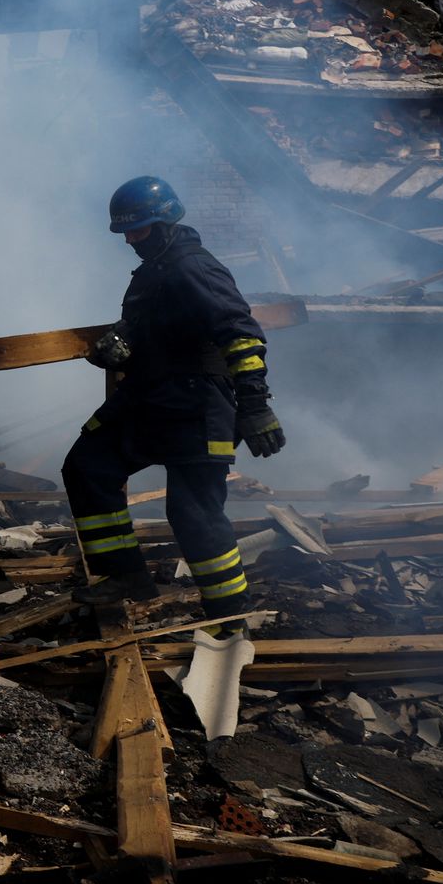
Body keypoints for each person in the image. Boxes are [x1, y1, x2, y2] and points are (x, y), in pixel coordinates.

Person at [64, 176, 286, 623]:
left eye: (139, 230)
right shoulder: (154, 271)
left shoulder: (194, 268)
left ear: (165, 223)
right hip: (150, 398)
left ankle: (227, 614)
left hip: (197, 405)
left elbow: (241, 337)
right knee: (88, 466)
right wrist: (116, 348)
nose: (130, 239)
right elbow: (156, 329)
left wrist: (256, 406)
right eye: (126, 231)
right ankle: (126, 575)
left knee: (192, 513)